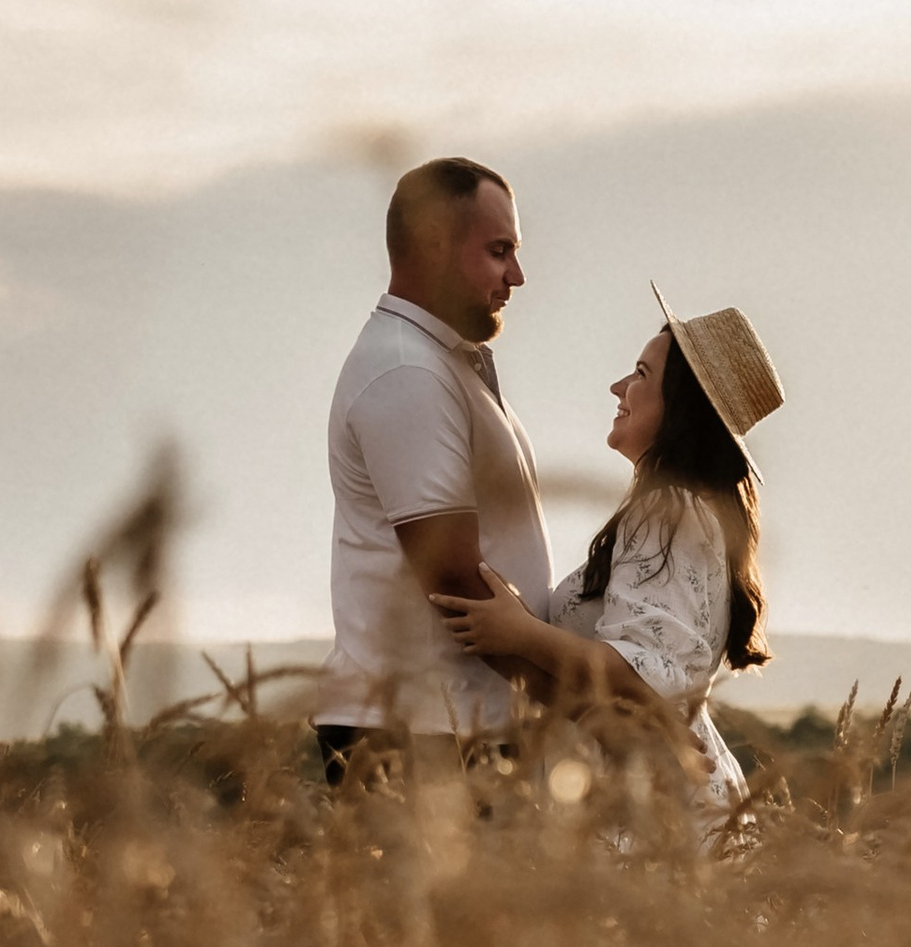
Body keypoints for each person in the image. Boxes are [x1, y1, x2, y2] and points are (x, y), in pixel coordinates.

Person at [431, 288, 780, 829]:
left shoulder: (667, 511)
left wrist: (518, 633)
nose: (618, 387)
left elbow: (644, 669)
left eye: (640, 374)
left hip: (648, 804)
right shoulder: (689, 511)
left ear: (680, 407)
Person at [312, 158, 551, 777]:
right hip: (421, 736)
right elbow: (451, 576)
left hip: (456, 725)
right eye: (499, 251)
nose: (517, 276)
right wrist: (578, 699)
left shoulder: (436, 364)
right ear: (434, 245)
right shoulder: (407, 372)